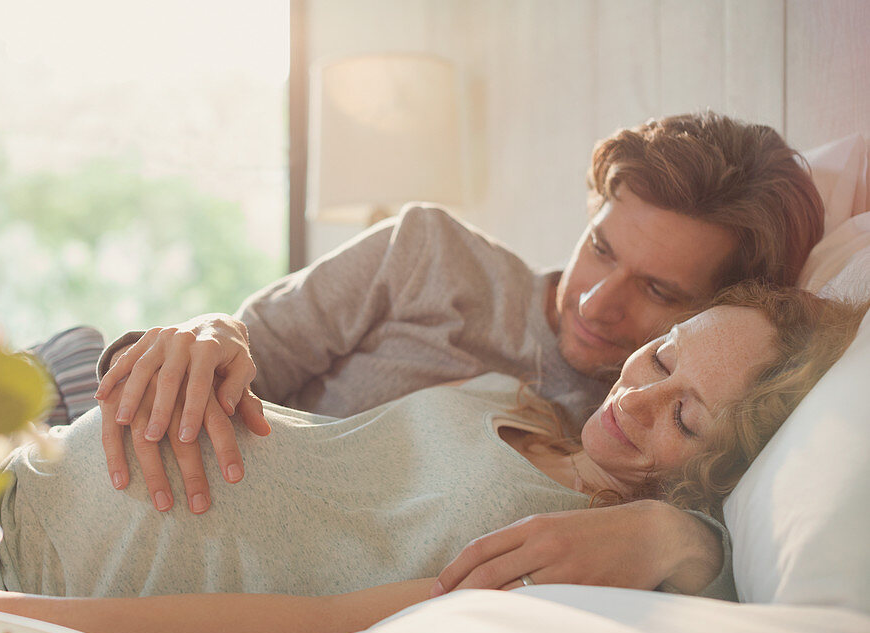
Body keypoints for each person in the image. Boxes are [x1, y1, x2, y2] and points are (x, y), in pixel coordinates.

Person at [0, 284, 866, 633]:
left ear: (723, 468)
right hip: (8, 445)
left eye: (683, 412)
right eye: (662, 356)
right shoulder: (510, 399)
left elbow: (311, 624)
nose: (633, 396)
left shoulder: (587, 557)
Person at [92, 112, 826, 598]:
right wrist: (212, 329)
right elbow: (249, 342)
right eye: (601, 247)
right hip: (95, 410)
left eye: (659, 289)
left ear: (722, 310)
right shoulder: (428, 253)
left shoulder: (645, 440)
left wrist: (687, 540)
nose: (599, 303)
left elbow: (747, 546)